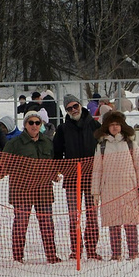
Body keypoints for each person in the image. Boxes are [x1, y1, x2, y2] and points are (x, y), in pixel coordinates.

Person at [50, 96, 102, 258]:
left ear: (80, 105)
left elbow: (103, 147)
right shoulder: (63, 129)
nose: (73, 109)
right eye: (69, 108)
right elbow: (57, 153)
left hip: (92, 176)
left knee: (92, 215)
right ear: (66, 111)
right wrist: (58, 170)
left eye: (75, 106)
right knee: (74, 216)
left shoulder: (94, 125)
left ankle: (92, 249)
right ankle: (76, 249)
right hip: (72, 177)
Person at [6, 109, 58, 261]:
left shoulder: (47, 142)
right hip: (22, 191)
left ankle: (51, 255)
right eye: (31, 123)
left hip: (43, 190)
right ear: (25, 125)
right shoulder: (14, 143)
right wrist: (22, 173)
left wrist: (54, 174)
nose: (34, 126)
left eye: (37, 122)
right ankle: (17, 257)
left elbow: (52, 162)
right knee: (21, 223)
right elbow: (4, 164)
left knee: (47, 224)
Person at [94, 109, 139, 260]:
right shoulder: (101, 146)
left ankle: (133, 253)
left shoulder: (130, 144)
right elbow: (97, 170)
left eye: (117, 124)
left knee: (130, 222)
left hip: (129, 188)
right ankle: (116, 254)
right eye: (112, 125)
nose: (115, 127)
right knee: (113, 223)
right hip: (109, 189)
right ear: (107, 127)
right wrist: (95, 192)